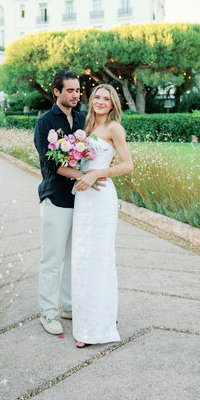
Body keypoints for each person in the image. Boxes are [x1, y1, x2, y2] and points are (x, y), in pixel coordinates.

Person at [34, 70, 107, 335]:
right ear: (56, 91)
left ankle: (67, 306)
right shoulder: (45, 122)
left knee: (73, 257)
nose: (76, 95)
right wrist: (84, 175)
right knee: (52, 259)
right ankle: (48, 312)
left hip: (82, 200)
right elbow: (51, 164)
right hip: (56, 198)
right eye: (70, 91)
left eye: (78, 91)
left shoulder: (81, 119)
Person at [72, 84, 134, 348]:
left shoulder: (113, 128)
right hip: (83, 199)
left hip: (102, 197)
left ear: (112, 104)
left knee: (99, 259)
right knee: (82, 259)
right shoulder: (85, 128)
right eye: (97, 97)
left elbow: (128, 165)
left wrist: (98, 173)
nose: (100, 101)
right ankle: (83, 325)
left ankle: (98, 329)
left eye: (106, 99)